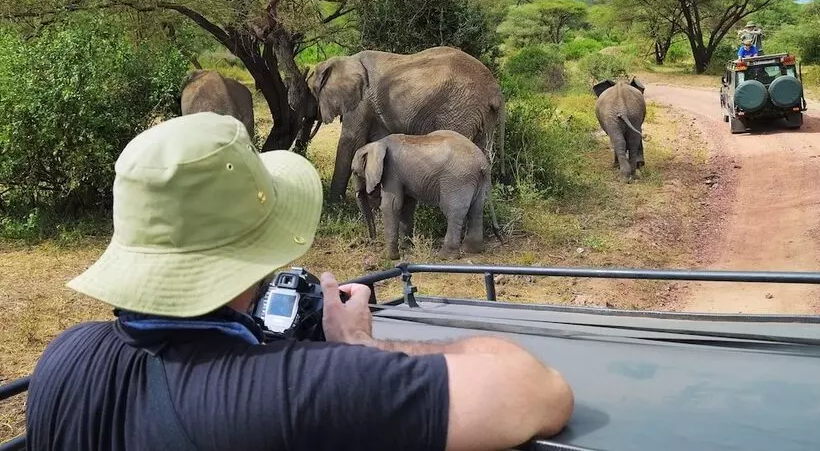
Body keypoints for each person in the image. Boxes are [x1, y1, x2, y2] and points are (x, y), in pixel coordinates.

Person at [25, 111, 574, 451]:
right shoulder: (298, 390)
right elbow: (537, 391)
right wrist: (360, 347)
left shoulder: (63, 358)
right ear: (261, 255)